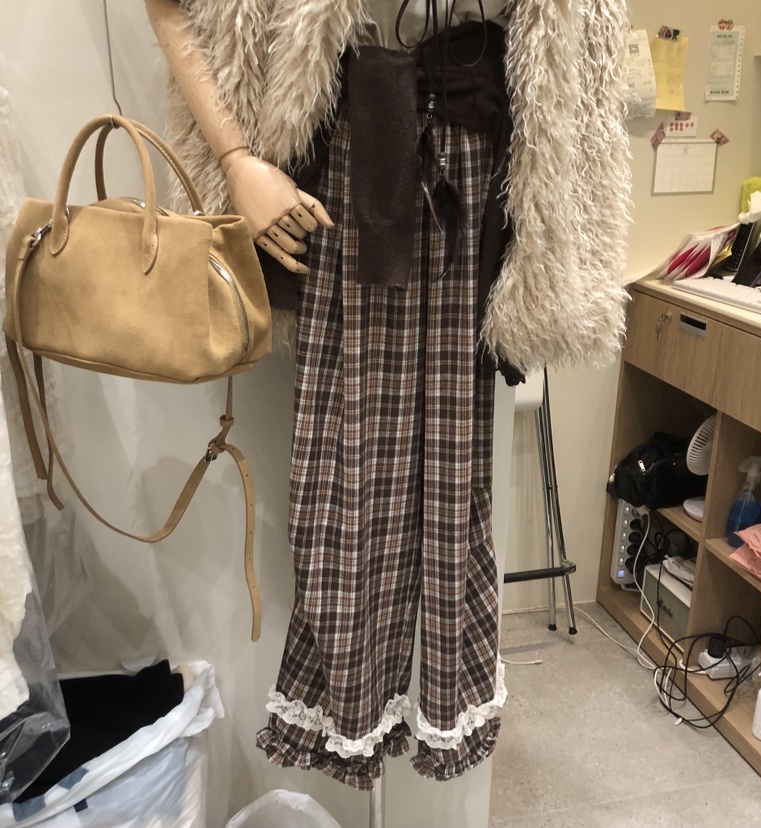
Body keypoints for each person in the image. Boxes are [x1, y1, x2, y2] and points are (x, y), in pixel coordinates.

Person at [145, 0, 631, 789]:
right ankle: (347, 707)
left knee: (454, 479)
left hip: (479, 163)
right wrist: (235, 160)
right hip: (347, 151)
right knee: (345, 472)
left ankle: (442, 697)